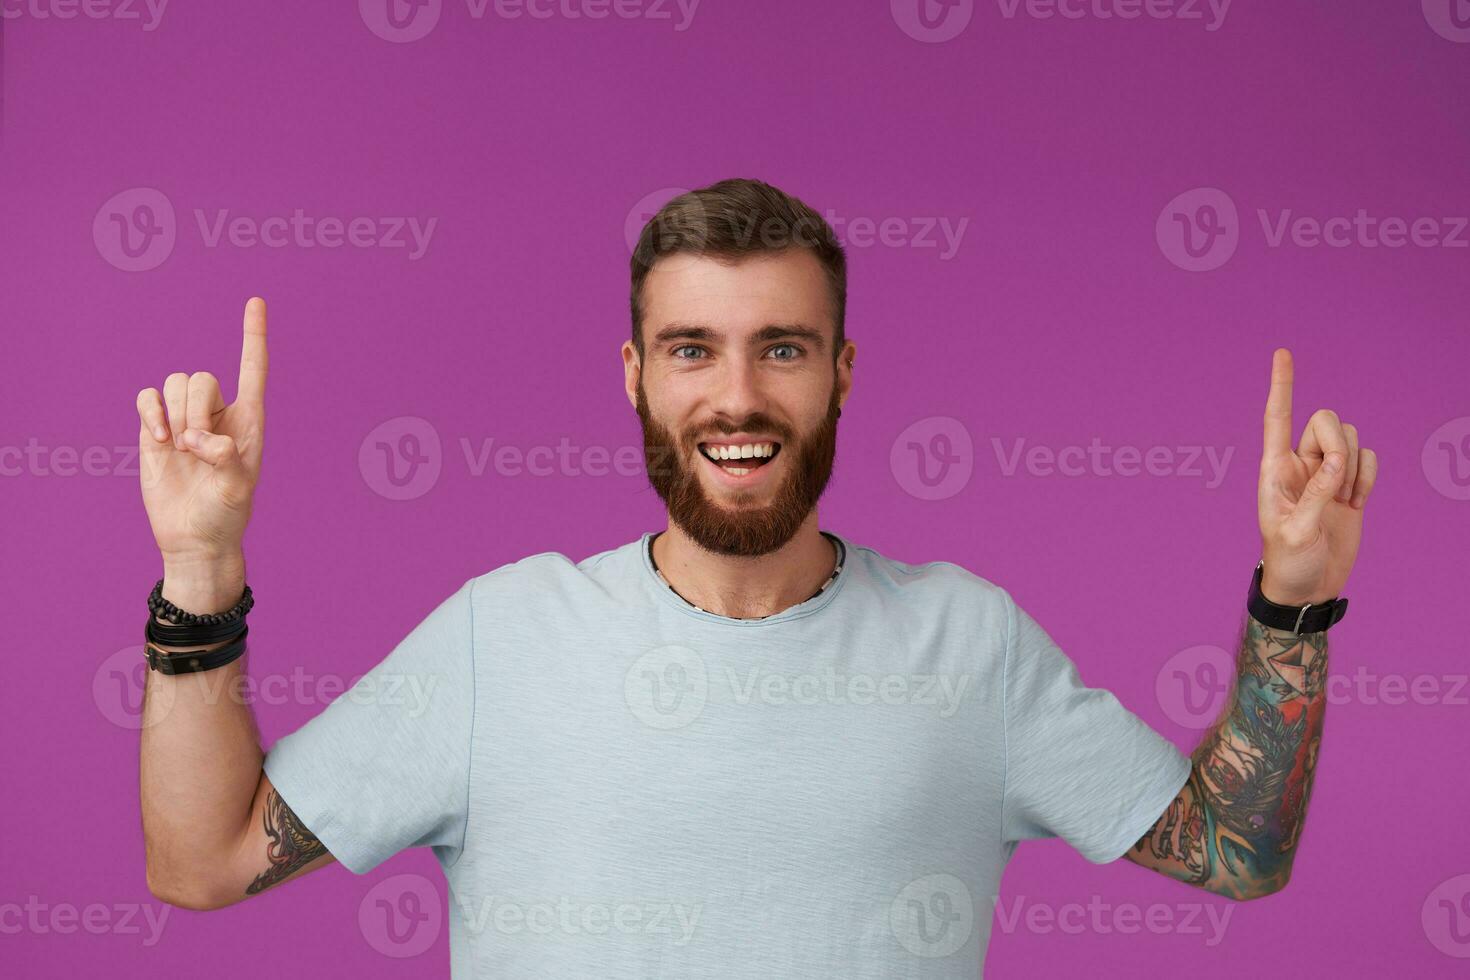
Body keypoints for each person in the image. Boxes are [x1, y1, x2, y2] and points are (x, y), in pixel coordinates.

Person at [134, 178, 1377, 977]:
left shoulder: (968, 641)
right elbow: (206, 862)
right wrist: (199, 563)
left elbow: (1234, 850)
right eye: (693, 349)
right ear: (634, 375)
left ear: (841, 371)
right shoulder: (499, 634)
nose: (737, 396)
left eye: (781, 347)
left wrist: (1296, 600)